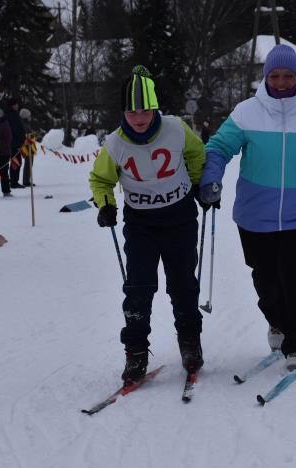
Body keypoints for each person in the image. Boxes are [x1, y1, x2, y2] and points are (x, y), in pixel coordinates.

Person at [199, 44, 296, 372]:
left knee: (293, 274)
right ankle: (277, 321)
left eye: (288, 75)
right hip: (255, 213)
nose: (281, 82)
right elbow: (219, 147)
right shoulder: (246, 112)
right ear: (265, 77)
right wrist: (210, 177)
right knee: (264, 277)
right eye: (274, 75)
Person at [89, 65, 206, 386]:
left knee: (183, 284)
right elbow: (100, 179)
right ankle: (136, 350)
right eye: (131, 112)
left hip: (179, 217)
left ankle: (190, 340)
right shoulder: (115, 143)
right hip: (141, 223)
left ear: (155, 108)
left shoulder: (176, 128)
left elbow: (196, 154)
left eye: (144, 110)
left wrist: (200, 184)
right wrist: (106, 204)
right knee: (138, 288)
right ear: (122, 112)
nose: (138, 118)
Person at [4, 98, 26, 189]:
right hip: (14, 143)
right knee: (16, 162)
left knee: (16, 162)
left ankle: (14, 180)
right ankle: (13, 181)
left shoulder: (13, 114)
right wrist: (18, 141)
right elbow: (15, 129)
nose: (17, 106)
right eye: (16, 104)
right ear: (13, 105)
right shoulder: (11, 115)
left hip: (16, 142)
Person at [19, 108, 35, 187]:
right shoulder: (23, 124)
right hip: (26, 145)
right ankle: (26, 181)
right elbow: (26, 134)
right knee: (28, 163)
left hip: (30, 145)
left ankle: (27, 179)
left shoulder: (26, 123)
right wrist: (30, 135)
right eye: (29, 115)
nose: (30, 117)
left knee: (30, 163)